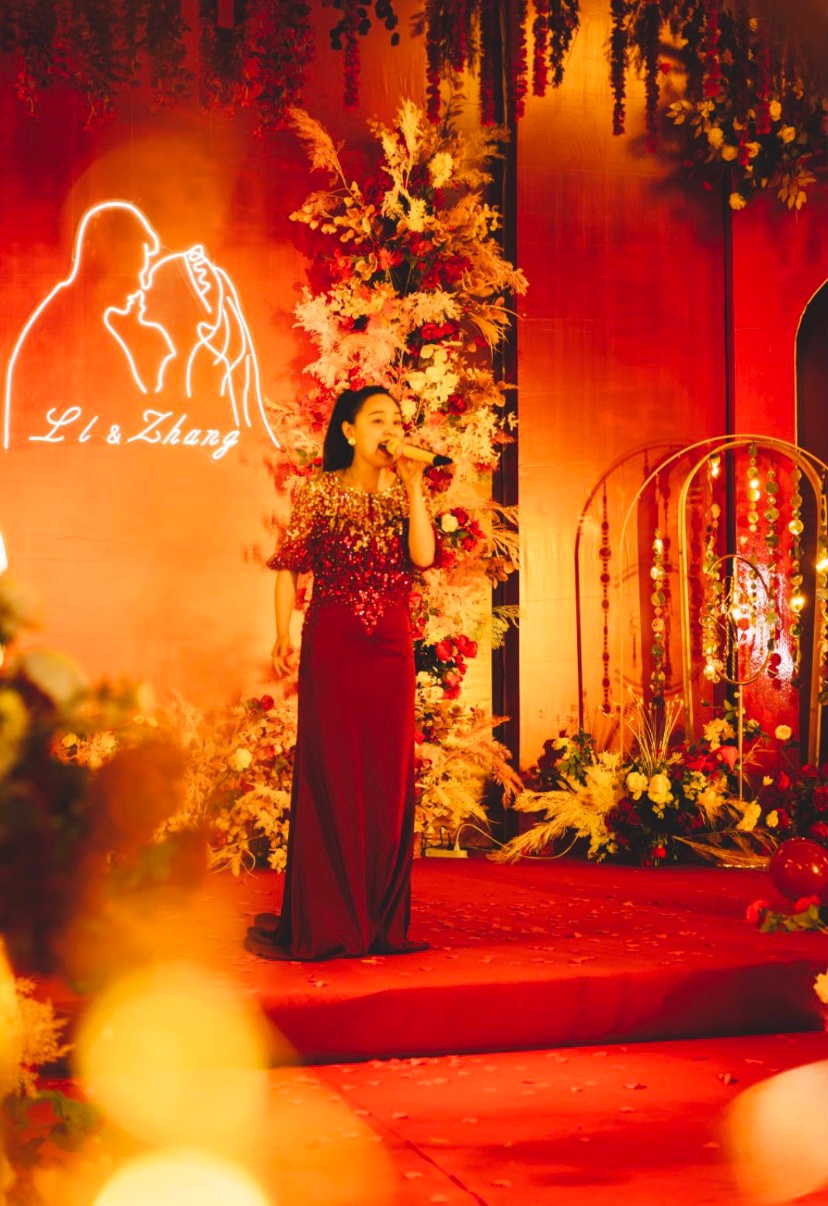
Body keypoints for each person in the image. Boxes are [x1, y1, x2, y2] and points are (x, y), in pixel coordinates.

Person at [245, 386, 436, 960]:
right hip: (332, 646)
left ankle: (377, 920)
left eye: (396, 420)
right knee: (333, 774)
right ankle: (331, 918)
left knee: (386, 780)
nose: (390, 429)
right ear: (349, 432)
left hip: (390, 651)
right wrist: (282, 633)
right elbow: (289, 568)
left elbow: (423, 557)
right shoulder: (320, 492)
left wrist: (415, 487)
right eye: (377, 419)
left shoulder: (406, 495)